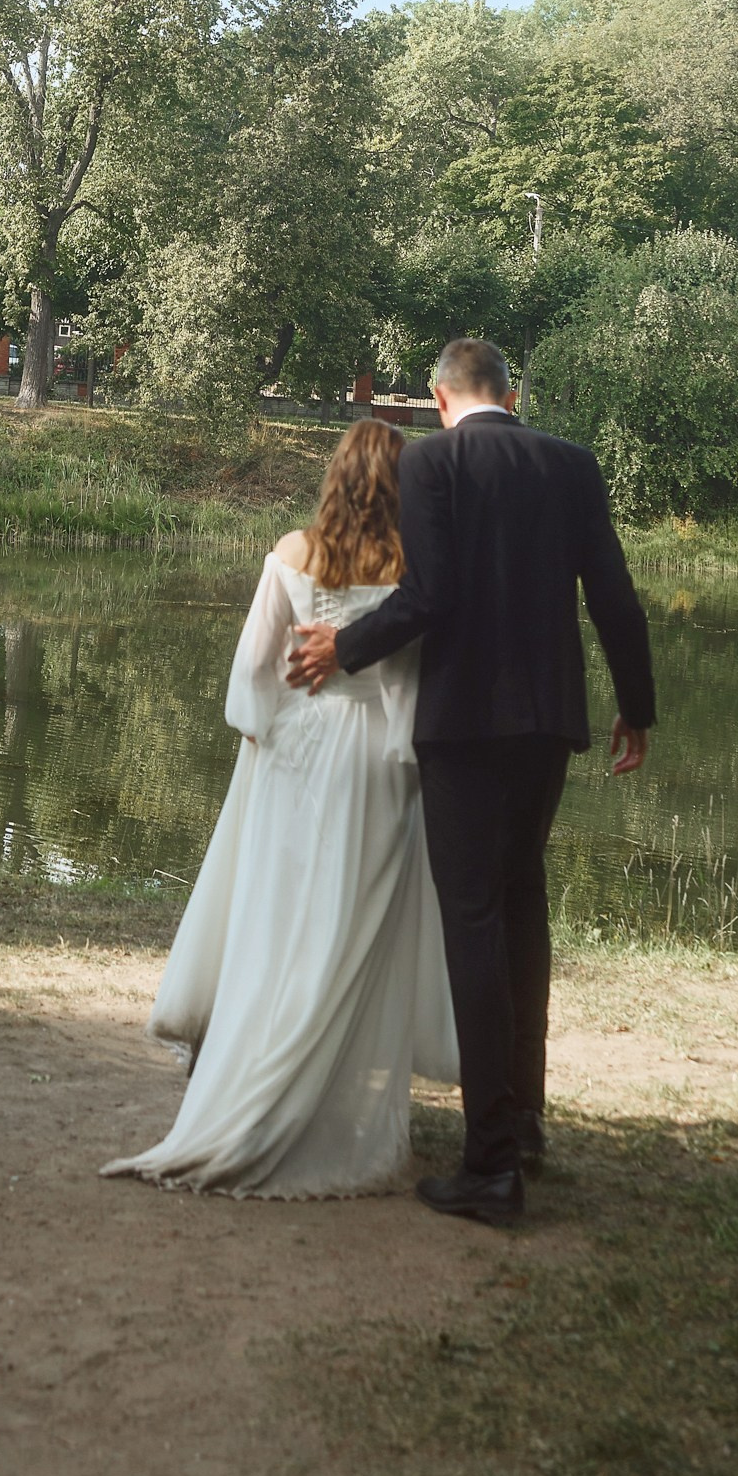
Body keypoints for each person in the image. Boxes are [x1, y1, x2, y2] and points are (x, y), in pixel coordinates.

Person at [286, 337, 655, 1228]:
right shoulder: (572, 463)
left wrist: (347, 646)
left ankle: (490, 1163)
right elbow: (614, 592)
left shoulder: (436, 464)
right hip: (547, 723)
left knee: (475, 920)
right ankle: (524, 1119)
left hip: (464, 726)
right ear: (510, 394)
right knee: (524, 902)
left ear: (443, 399)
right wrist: (636, 706)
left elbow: (433, 596)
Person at [102, 418, 457, 1198]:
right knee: (353, 925)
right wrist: (406, 745)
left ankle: (258, 1058)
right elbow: (416, 677)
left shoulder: (292, 553)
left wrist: (261, 732)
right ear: (401, 486)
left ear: (335, 476)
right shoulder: (413, 566)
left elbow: (254, 666)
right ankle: (326, 1075)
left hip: (296, 752)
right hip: (376, 760)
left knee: (280, 914)